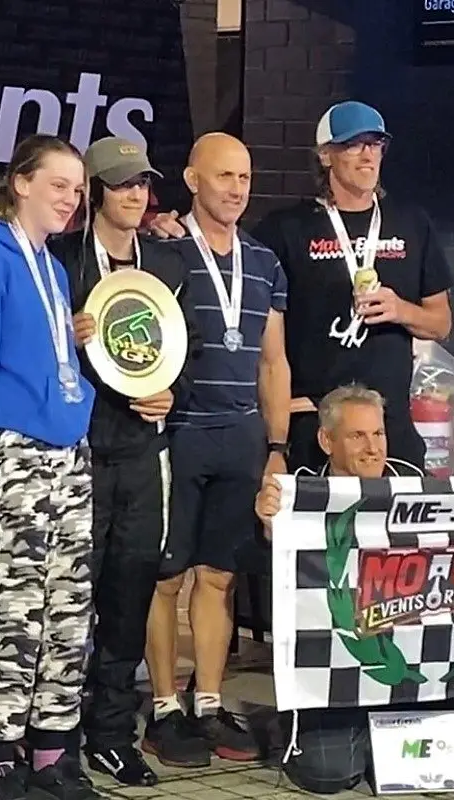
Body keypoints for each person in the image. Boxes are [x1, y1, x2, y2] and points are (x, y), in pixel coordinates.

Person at [254, 384, 454, 794]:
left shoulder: (416, 484)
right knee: (329, 777)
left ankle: (385, 733)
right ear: (326, 441)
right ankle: (293, 722)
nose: (372, 448)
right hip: (339, 676)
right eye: (357, 436)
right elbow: (284, 569)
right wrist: (271, 523)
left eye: (378, 435)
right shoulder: (299, 493)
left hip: (417, 673)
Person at [156, 102, 452, 471]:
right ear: (326, 156)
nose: (367, 155)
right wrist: (167, 227)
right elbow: (249, 316)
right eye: (354, 145)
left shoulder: (412, 224)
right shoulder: (286, 229)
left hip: (385, 425)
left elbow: (441, 324)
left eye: (375, 144)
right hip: (313, 423)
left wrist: (401, 310)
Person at [0, 134, 97, 800]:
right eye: (57, 184)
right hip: (18, 456)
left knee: (67, 612)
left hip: (68, 453)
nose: (70, 198)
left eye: (77, 188)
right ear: (22, 183)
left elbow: (44, 362)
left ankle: (52, 751)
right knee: (15, 613)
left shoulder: (52, 268)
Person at [46, 137, 201, 786]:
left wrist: (172, 391)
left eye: (141, 183)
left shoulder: (167, 264)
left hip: (140, 452)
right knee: (65, 601)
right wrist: (63, 334)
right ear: (92, 193)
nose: (135, 195)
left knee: (129, 595)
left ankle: (111, 735)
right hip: (77, 450)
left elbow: (185, 357)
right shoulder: (57, 261)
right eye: (120, 184)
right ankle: (49, 742)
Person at [142, 132, 291, 766]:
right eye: (224, 176)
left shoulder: (265, 262)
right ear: (193, 179)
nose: (236, 188)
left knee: (221, 574)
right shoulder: (163, 250)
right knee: (167, 574)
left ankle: (207, 699)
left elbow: (273, 362)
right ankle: (163, 704)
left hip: (242, 436)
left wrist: (277, 446)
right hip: (180, 434)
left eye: (245, 178)